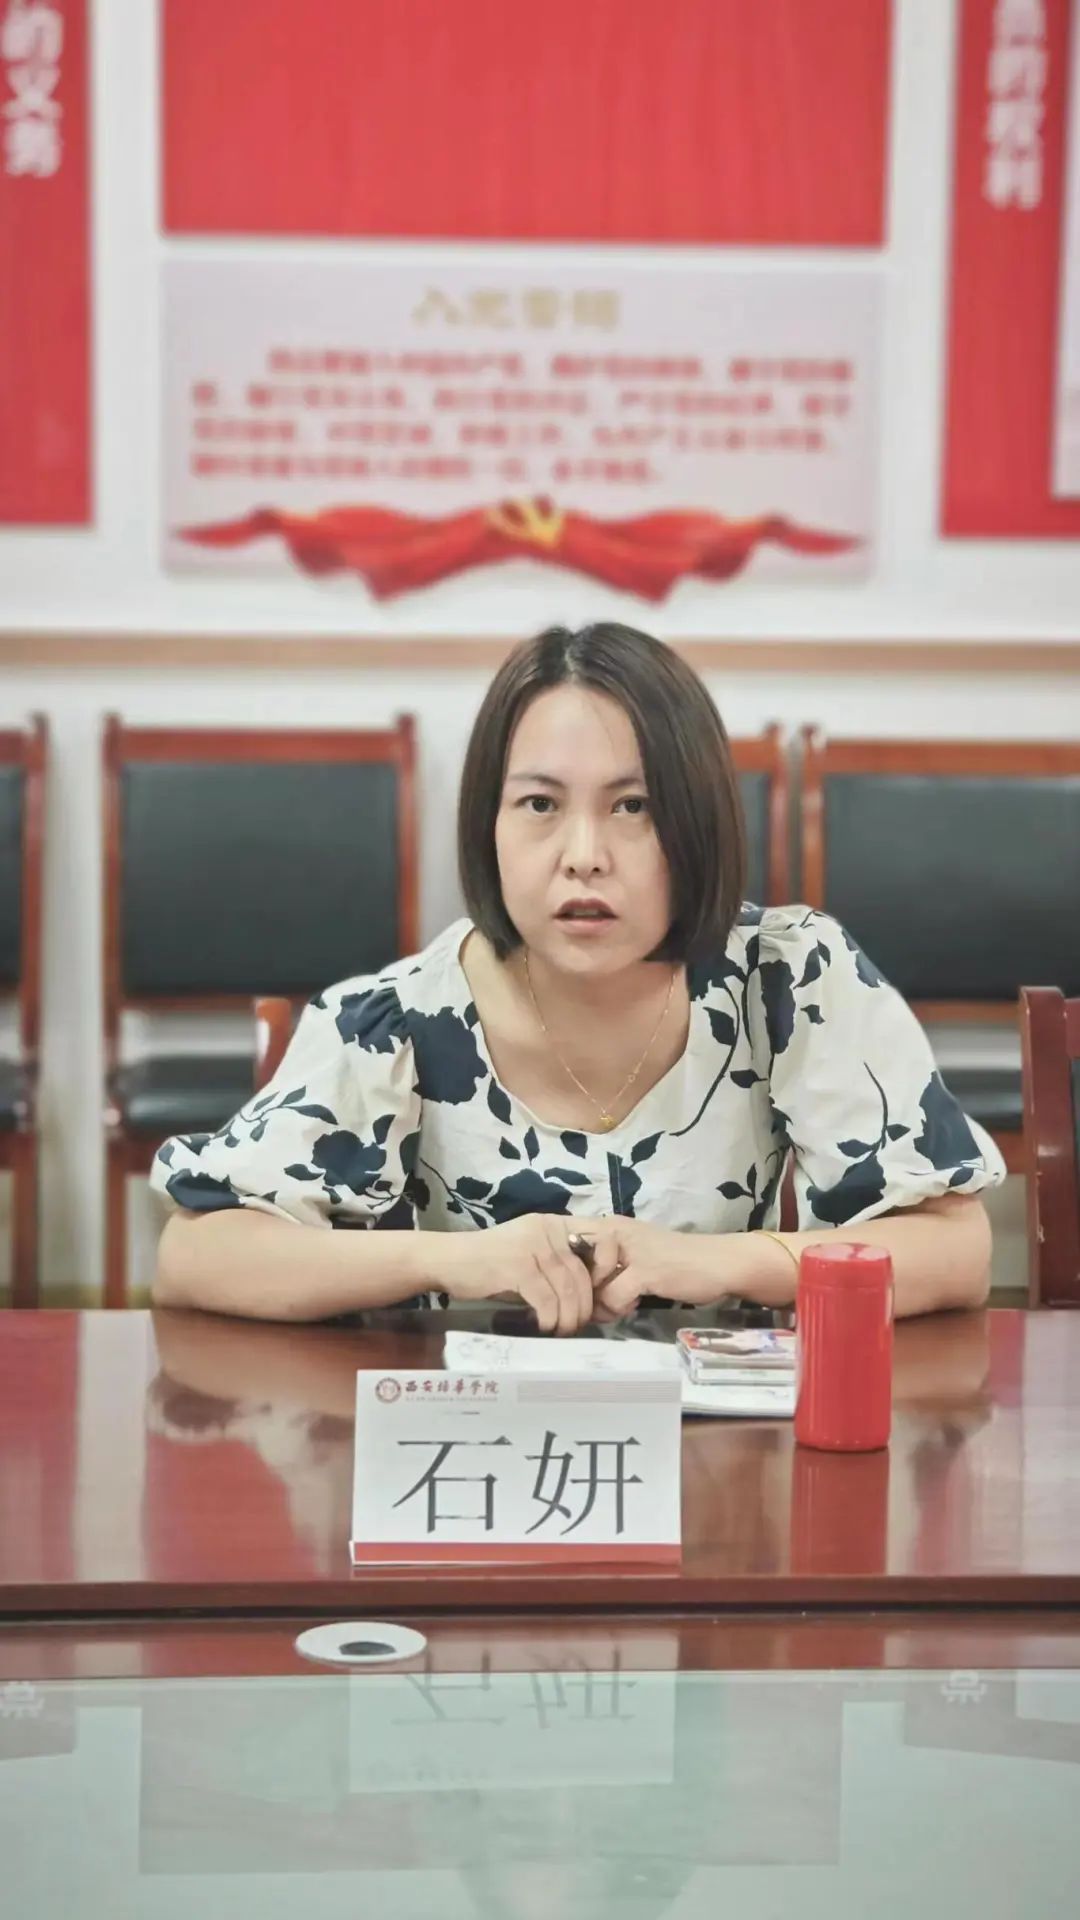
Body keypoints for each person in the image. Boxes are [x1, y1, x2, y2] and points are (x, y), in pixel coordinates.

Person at [152, 622, 1003, 1328]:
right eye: (540, 805)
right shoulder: (397, 1019)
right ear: (487, 824)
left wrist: (720, 1262)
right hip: (472, 1453)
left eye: (634, 806)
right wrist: (455, 1259)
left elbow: (955, 1251)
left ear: (698, 820)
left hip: (718, 1453)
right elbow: (195, 1255)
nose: (584, 856)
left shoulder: (789, 977)